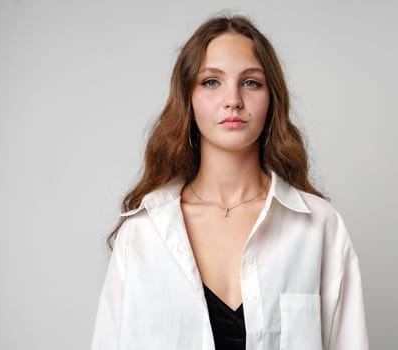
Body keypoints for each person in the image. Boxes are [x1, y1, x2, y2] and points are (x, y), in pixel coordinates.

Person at [91, 14, 369, 350]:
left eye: (251, 82)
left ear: (272, 98)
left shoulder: (319, 226)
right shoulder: (143, 233)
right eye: (211, 82)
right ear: (188, 98)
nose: (233, 99)